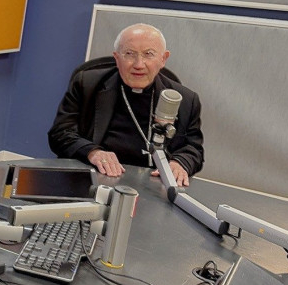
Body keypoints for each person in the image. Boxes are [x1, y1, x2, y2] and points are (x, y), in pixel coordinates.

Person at [48, 23, 203, 186]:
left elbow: (194, 149)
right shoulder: (87, 85)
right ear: (116, 58)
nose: (139, 64)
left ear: (163, 59)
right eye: (129, 54)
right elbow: (60, 133)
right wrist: (92, 152)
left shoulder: (186, 100)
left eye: (148, 54)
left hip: (153, 185)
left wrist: (179, 163)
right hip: (96, 179)